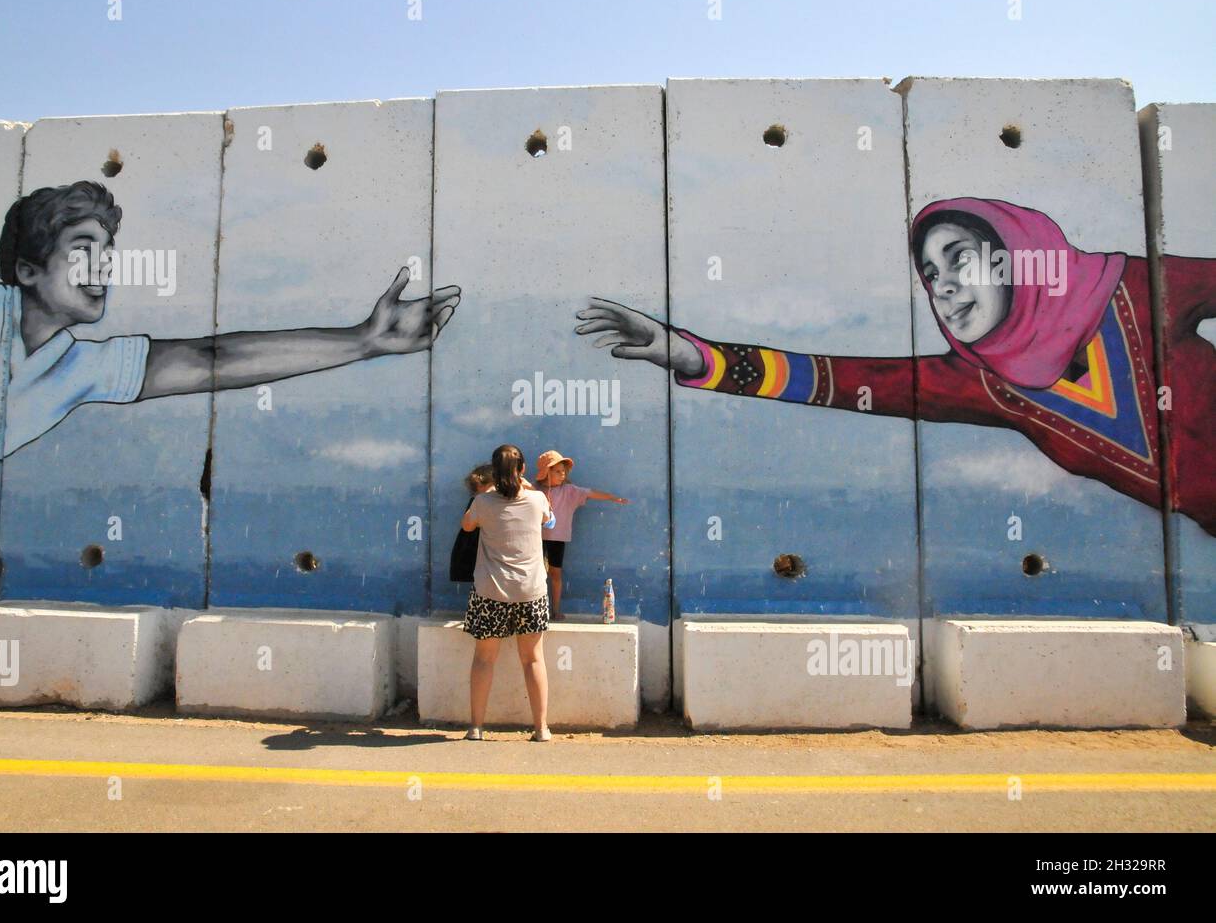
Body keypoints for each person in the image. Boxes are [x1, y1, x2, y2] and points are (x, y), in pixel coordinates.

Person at [575, 197, 1216, 537]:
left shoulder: (1141, 289)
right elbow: (839, 381)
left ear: (1014, 255)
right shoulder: (988, 383)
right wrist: (691, 355)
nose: (940, 285)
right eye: (929, 273)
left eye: (959, 258)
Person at [0, 180, 462, 506]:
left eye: (108, 251)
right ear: (27, 270)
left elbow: (209, 360)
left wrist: (363, 340)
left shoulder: (78, 370)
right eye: (83, 247)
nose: (103, 264)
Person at [460, 444, 555, 741]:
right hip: (531, 591)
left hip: (491, 592)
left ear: (494, 472)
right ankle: (541, 729)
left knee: (484, 659)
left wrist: (487, 495)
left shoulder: (482, 502)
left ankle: (476, 727)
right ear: (523, 469)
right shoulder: (537, 499)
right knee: (533, 659)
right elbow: (550, 521)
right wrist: (526, 487)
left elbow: (467, 527)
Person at [534, 449, 629, 621]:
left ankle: (555, 610)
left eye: (564, 472)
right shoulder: (535, 490)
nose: (562, 475)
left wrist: (612, 498)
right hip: (535, 539)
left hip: (557, 540)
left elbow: (591, 493)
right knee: (536, 575)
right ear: (546, 472)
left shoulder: (570, 490)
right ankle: (536, 611)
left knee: (555, 575)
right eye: (557, 471)